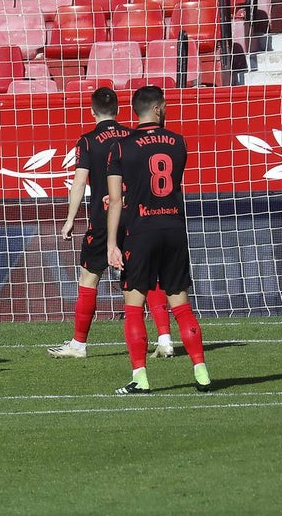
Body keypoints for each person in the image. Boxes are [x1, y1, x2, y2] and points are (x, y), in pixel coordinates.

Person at [51, 87, 175, 359]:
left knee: (89, 278)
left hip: (102, 220)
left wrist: (70, 219)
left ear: (92, 111)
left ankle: (79, 344)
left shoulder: (87, 141)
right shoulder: (132, 137)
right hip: (133, 218)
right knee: (147, 277)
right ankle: (165, 338)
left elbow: (80, 182)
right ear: (119, 110)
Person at [106, 86, 211, 395]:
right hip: (174, 229)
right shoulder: (179, 142)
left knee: (135, 305)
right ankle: (201, 372)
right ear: (158, 109)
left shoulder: (121, 147)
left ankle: (140, 378)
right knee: (181, 303)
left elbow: (115, 200)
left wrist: (112, 243)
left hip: (141, 230)